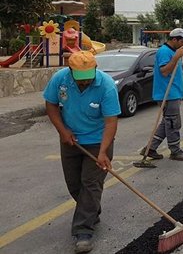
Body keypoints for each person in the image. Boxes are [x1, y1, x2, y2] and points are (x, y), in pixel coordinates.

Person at [43, 51, 121, 253]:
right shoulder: (60, 79)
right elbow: (51, 105)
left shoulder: (106, 85)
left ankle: (83, 231)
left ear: (95, 70)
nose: (84, 83)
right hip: (70, 140)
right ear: (71, 71)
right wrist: (63, 131)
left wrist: (104, 152)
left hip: (98, 142)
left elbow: (111, 121)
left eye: (88, 79)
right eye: (80, 79)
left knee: (90, 183)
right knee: (74, 184)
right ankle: (91, 209)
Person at [140, 28, 183, 161]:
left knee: (167, 123)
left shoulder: (173, 51)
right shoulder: (164, 52)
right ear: (174, 39)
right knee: (173, 123)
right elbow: (164, 71)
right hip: (167, 94)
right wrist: (175, 57)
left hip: (174, 93)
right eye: (182, 41)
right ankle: (175, 151)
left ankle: (150, 148)